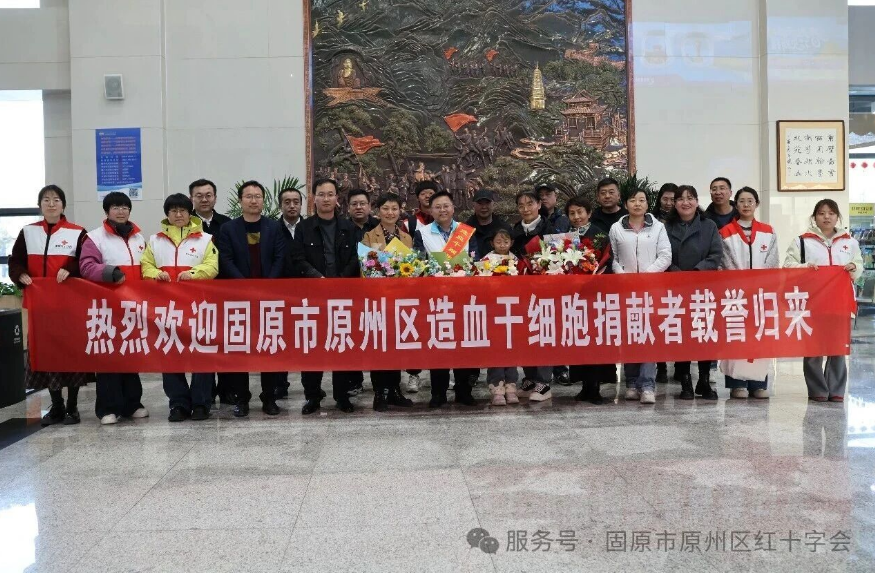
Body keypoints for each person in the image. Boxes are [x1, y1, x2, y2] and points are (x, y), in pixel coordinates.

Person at [8, 185, 88, 426]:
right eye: (46, 200)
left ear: (63, 205)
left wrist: (70, 269)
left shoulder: (77, 232)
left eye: (56, 200)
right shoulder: (28, 232)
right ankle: (57, 406)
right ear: (40, 205)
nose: (51, 204)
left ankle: (72, 407)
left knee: (71, 355)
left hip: (69, 307)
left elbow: (85, 262)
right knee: (46, 355)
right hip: (41, 308)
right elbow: (15, 261)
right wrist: (20, 274)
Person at [285, 178, 360, 414]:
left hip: (343, 295)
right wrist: (318, 278)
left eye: (330, 194)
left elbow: (355, 259)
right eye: (321, 194)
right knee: (312, 347)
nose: (326, 199)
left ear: (337, 198)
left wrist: (339, 281)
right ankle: (313, 396)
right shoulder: (304, 228)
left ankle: (342, 396)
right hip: (313, 297)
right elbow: (298, 258)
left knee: (341, 346)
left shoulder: (349, 228)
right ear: (314, 198)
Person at [141, 194, 219, 421]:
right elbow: (145, 265)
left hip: (198, 308)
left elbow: (212, 266)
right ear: (167, 214)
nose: (178, 215)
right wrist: (156, 274)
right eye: (173, 211)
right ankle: (178, 404)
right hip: (166, 309)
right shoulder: (155, 241)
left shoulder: (205, 239)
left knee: (201, 354)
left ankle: (201, 404)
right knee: (170, 354)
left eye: (182, 210)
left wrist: (193, 274)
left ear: (189, 213)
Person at [216, 180, 286, 418]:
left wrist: (267, 286)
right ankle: (241, 399)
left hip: (269, 298)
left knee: (269, 348)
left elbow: (280, 258)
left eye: (258, 196)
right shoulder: (228, 229)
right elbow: (225, 260)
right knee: (240, 349)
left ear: (263, 200)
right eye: (249, 196)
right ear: (240, 200)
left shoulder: (273, 227)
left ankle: (269, 398)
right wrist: (244, 286)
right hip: (239, 299)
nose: (253, 200)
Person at [79, 191, 148, 425]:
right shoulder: (94, 237)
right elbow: (86, 266)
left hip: (133, 307)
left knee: (130, 354)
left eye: (125, 207)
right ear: (107, 211)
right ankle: (108, 408)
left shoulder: (139, 238)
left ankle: (132, 403)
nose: (121, 211)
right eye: (116, 207)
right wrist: (111, 272)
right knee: (108, 357)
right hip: (107, 307)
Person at [783, 199, 861, 403]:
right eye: (821, 213)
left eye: (831, 213)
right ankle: (817, 389)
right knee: (813, 348)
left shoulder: (849, 242)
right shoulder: (802, 241)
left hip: (840, 302)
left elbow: (858, 265)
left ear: (837, 217)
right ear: (814, 217)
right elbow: (788, 266)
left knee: (838, 347)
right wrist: (805, 268)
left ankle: (836, 389)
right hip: (813, 303)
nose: (826, 217)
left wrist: (854, 267)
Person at [413, 190, 480, 407]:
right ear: (430, 210)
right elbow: (419, 263)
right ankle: (438, 393)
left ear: (453, 208)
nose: (442, 210)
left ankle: (464, 391)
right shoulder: (422, 233)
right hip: (435, 299)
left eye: (446, 206)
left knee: (463, 345)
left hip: (463, 298)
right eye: (437, 207)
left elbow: (475, 260)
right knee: (438, 345)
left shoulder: (466, 231)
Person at [609, 188, 672, 405]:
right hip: (625, 290)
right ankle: (631, 383)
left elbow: (665, 255)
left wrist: (646, 276)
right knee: (629, 336)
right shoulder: (616, 228)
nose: (637, 204)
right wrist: (623, 276)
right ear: (625, 203)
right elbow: (613, 257)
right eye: (633, 200)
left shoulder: (658, 227)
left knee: (648, 336)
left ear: (647, 204)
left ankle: (647, 385)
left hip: (651, 290)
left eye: (642, 200)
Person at [718, 187, 780, 400]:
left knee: (760, 336)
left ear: (756, 204)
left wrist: (760, 285)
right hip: (736, 295)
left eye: (750, 201)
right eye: (742, 201)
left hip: (761, 295)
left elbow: (772, 262)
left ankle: (759, 383)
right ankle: (737, 384)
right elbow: (724, 262)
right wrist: (742, 284)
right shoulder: (726, 232)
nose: (746, 205)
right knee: (736, 337)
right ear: (736, 204)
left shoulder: (768, 232)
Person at [665, 185, 722, 400]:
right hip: (676, 289)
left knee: (705, 334)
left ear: (697, 202)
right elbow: (663, 255)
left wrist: (697, 272)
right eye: (680, 199)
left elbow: (716, 254)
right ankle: (686, 381)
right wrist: (677, 274)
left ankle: (704, 381)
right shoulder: (666, 227)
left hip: (703, 288)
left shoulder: (709, 226)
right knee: (683, 335)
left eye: (690, 198)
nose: (685, 202)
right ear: (675, 203)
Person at [362, 194, 415, 411]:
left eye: (394, 208)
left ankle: (394, 390)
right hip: (378, 299)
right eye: (385, 208)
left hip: (400, 300)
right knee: (379, 347)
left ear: (400, 211)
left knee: (396, 346)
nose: (390, 213)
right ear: (378, 211)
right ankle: (379, 392)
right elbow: (365, 267)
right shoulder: (369, 236)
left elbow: (411, 267)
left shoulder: (406, 238)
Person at [564, 195, 612, 405]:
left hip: (596, 296)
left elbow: (608, 262)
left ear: (589, 213)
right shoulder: (564, 237)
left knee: (595, 341)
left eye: (580, 212)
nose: (576, 217)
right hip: (574, 298)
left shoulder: (600, 235)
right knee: (579, 341)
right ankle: (584, 386)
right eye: (572, 213)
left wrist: (593, 277)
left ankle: (595, 387)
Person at [509, 190, 556, 401]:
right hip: (521, 292)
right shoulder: (514, 232)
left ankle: (544, 383)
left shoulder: (550, 230)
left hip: (545, 292)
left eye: (530, 204)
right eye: (521, 205)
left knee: (543, 334)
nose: (526, 209)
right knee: (525, 335)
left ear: (539, 205)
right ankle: (529, 379)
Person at [482, 228, 521, 406]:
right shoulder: (486, 260)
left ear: (511, 243)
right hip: (493, 311)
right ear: (492, 243)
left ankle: (511, 385)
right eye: (498, 242)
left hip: (512, 311)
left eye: (506, 242)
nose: (502, 245)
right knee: (495, 350)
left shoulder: (517, 261)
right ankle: (496, 387)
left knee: (511, 349)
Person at [273, 186, 304, 400]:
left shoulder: (310, 228)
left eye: (296, 201)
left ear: (301, 204)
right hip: (280, 294)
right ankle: (279, 384)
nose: (292, 206)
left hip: (308, 294)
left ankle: (311, 386)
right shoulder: (272, 229)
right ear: (280, 205)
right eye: (287, 202)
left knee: (308, 339)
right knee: (280, 340)